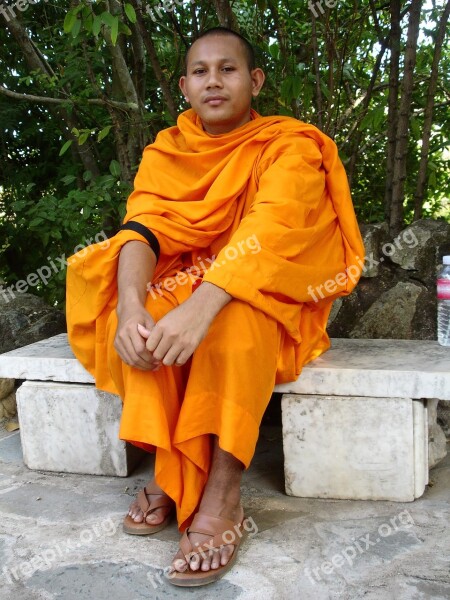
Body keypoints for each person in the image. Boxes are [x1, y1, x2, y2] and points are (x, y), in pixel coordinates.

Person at [66, 26, 365, 587]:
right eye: (201, 72)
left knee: (235, 327)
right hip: (189, 276)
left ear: (254, 80)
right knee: (138, 325)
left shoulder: (290, 146)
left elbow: (270, 232)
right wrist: (132, 306)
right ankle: (168, 465)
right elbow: (142, 230)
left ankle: (224, 494)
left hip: (266, 287)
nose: (213, 81)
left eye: (227, 69)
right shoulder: (167, 149)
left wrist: (203, 306)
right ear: (184, 85)